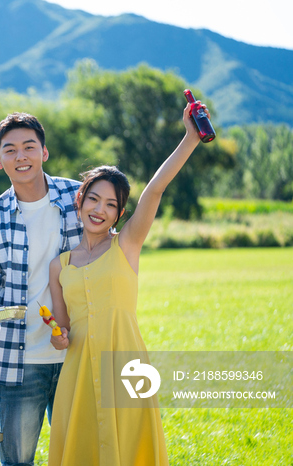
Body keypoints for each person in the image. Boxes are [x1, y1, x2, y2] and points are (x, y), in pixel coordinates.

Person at [46, 102, 208, 465]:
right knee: (83, 446)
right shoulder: (60, 266)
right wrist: (58, 336)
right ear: (80, 201)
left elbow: (154, 191)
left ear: (120, 214)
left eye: (110, 204)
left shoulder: (127, 245)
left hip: (126, 363)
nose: (99, 209)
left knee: (132, 444)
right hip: (79, 373)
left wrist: (190, 139)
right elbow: (63, 329)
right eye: (93, 199)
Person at [0, 112, 83, 466]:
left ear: (44, 152)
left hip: (79, 350)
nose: (21, 157)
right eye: (11, 150)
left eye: (29, 147)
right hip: (17, 360)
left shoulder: (79, 198)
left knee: (82, 454)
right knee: (18, 459)